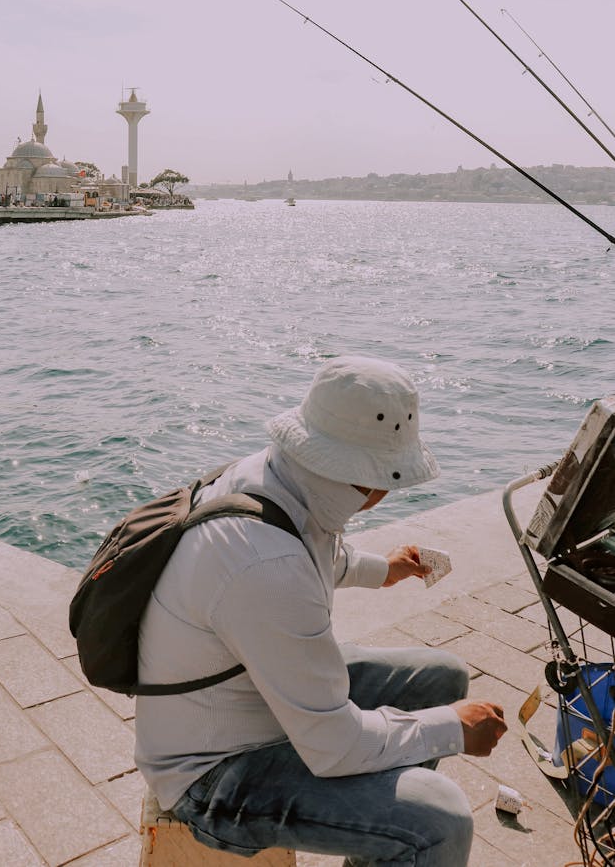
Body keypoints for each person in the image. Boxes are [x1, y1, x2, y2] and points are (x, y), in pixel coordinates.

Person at [135, 356, 507, 866]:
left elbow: (311, 547)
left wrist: (384, 567)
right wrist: (453, 729)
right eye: (386, 479)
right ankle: (403, 845)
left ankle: (378, 853)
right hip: (209, 771)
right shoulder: (266, 567)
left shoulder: (273, 476)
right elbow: (333, 745)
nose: (384, 494)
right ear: (361, 479)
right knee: (440, 820)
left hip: (244, 691)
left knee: (441, 678)